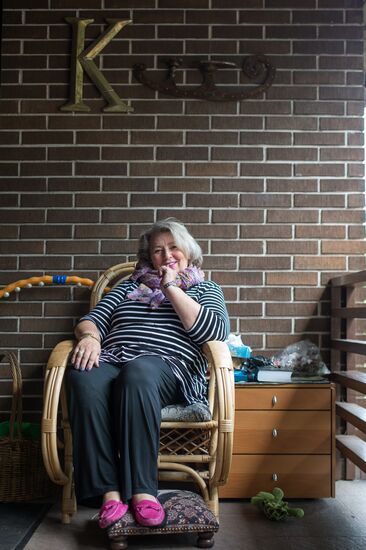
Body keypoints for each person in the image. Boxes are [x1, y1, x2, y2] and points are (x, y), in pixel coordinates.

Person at [66, 218, 230, 530]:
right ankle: (108, 493)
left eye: (173, 247)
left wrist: (170, 286)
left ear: (187, 251)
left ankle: (143, 491)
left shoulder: (205, 288)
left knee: (138, 373)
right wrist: (90, 338)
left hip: (167, 367)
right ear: (148, 257)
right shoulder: (129, 286)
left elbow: (214, 331)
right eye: (158, 250)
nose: (166, 255)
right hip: (114, 358)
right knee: (83, 376)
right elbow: (92, 320)